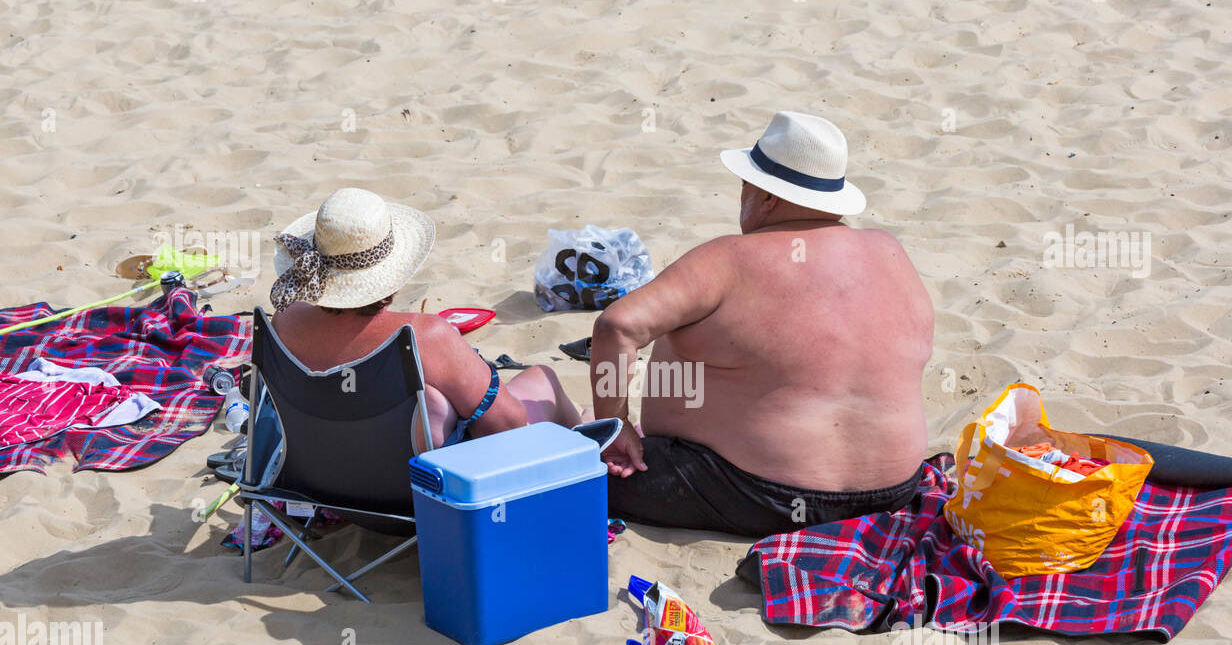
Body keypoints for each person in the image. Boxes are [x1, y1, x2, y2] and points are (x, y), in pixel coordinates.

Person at [590, 111, 934, 538]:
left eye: (744, 186)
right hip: (892, 492)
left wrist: (615, 424)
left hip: (759, 494)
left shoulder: (729, 258)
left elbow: (615, 327)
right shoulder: (889, 252)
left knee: (573, 471)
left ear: (767, 198)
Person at [269, 187, 581, 448]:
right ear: (392, 272)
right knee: (544, 380)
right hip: (419, 498)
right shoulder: (425, 336)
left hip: (320, 481)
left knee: (434, 400)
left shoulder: (284, 323)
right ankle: (594, 464)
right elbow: (509, 425)